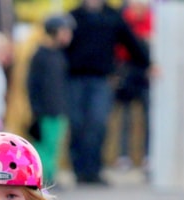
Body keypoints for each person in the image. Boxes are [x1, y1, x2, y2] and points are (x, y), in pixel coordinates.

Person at [65, 0, 150, 186]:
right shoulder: (73, 16)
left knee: (98, 124)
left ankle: (94, 171)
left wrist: (148, 64)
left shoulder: (113, 16)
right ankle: (79, 171)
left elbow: (131, 42)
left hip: (101, 79)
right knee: (77, 124)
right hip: (74, 79)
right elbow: (62, 45)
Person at [26, 14, 74, 188]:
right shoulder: (41, 55)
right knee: (44, 147)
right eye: (65, 31)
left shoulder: (59, 55)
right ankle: (43, 179)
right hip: (46, 111)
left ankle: (50, 178)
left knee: (54, 147)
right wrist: (36, 110)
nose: (69, 35)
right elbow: (33, 85)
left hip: (59, 109)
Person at [114, 0, 153, 172]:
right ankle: (123, 156)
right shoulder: (123, 19)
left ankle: (148, 156)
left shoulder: (152, 20)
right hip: (126, 71)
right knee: (125, 118)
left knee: (148, 117)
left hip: (145, 72)